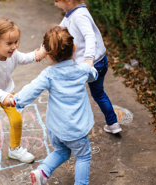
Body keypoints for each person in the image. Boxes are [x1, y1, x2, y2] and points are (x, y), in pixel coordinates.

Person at [10, 25, 98, 185]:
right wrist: (89, 66)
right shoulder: (82, 70)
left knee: (62, 151)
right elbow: (93, 75)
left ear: (49, 56)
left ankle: (43, 172)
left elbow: (32, 89)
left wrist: (17, 100)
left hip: (56, 129)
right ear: (74, 47)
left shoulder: (49, 74)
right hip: (77, 130)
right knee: (83, 156)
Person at [0, 17, 46, 163]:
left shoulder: (12, 54)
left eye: (16, 42)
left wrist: (36, 55)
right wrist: (2, 96)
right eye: (9, 43)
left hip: (8, 94)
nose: (14, 47)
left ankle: (15, 149)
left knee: (17, 120)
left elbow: (24, 57)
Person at [54, 0, 122, 134]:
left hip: (90, 65)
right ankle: (113, 124)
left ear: (68, 1)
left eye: (56, 1)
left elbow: (90, 36)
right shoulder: (72, 14)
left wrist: (88, 59)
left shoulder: (79, 15)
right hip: (100, 62)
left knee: (73, 94)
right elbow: (56, 32)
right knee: (99, 94)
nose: (55, 4)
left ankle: (73, 127)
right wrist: (43, 48)